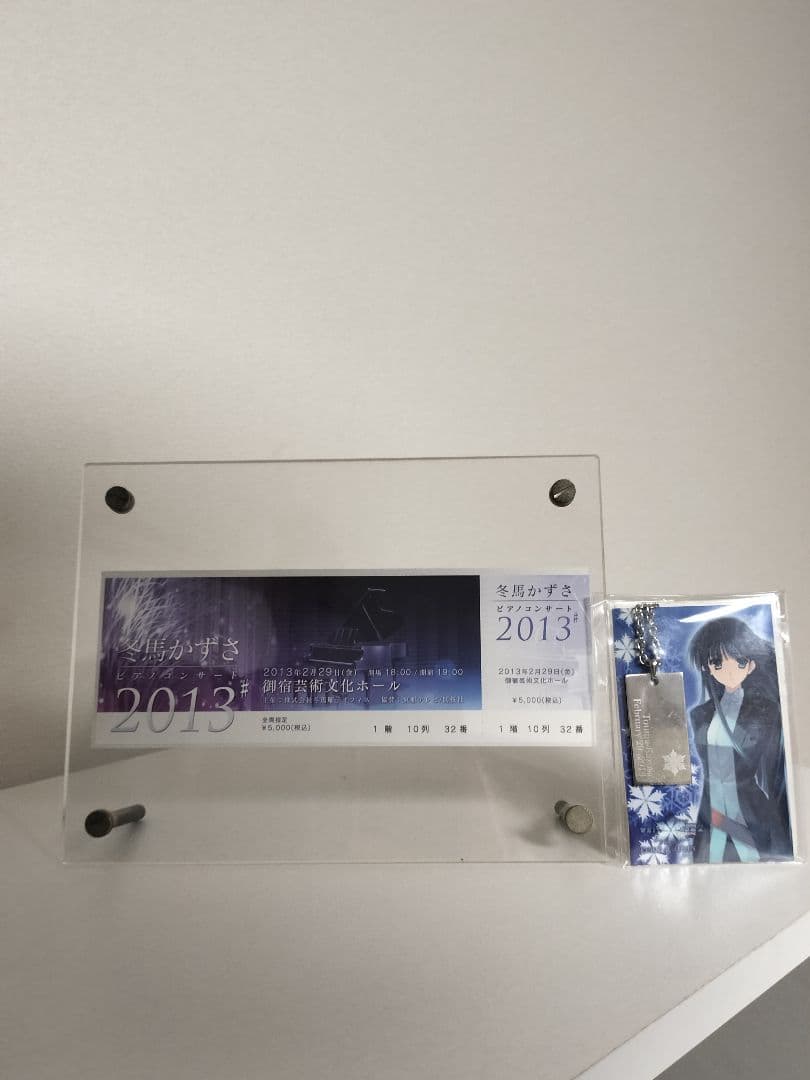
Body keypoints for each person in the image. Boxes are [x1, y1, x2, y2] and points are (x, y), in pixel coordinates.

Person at [688, 616, 792, 862]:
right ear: (708, 667)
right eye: (717, 663)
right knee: (708, 861)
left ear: (751, 665)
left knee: (756, 860)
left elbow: (766, 765)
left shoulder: (765, 711)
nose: (729, 670)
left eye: (739, 661)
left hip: (747, 803)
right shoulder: (700, 714)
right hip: (711, 804)